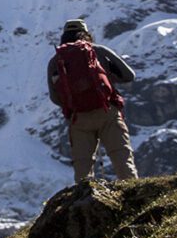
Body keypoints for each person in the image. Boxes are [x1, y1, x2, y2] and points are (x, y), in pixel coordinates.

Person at [46, 18, 138, 182]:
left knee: (83, 169)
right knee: (122, 158)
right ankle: (135, 198)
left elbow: (55, 97)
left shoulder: (56, 61)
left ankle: (86, 202)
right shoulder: (99, 51)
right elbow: (129, 75)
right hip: (107, 111)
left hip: (79, 118)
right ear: (86, 34)